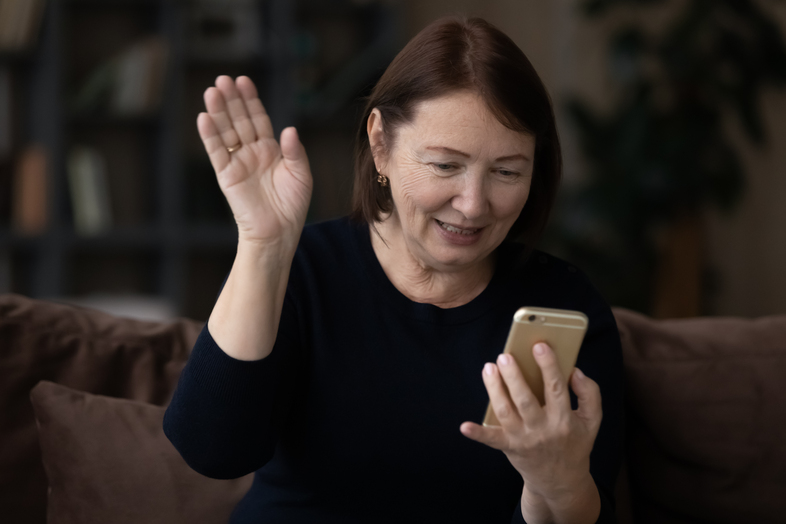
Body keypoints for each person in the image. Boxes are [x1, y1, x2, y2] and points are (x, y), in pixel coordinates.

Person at [164, 16, 623, 524]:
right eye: (445, 165)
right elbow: (212, 451)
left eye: (507, 172)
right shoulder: (305, 269)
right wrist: (264, 246)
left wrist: (556, 484)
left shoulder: (563, 305)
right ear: (380, 142)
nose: (473, 205)